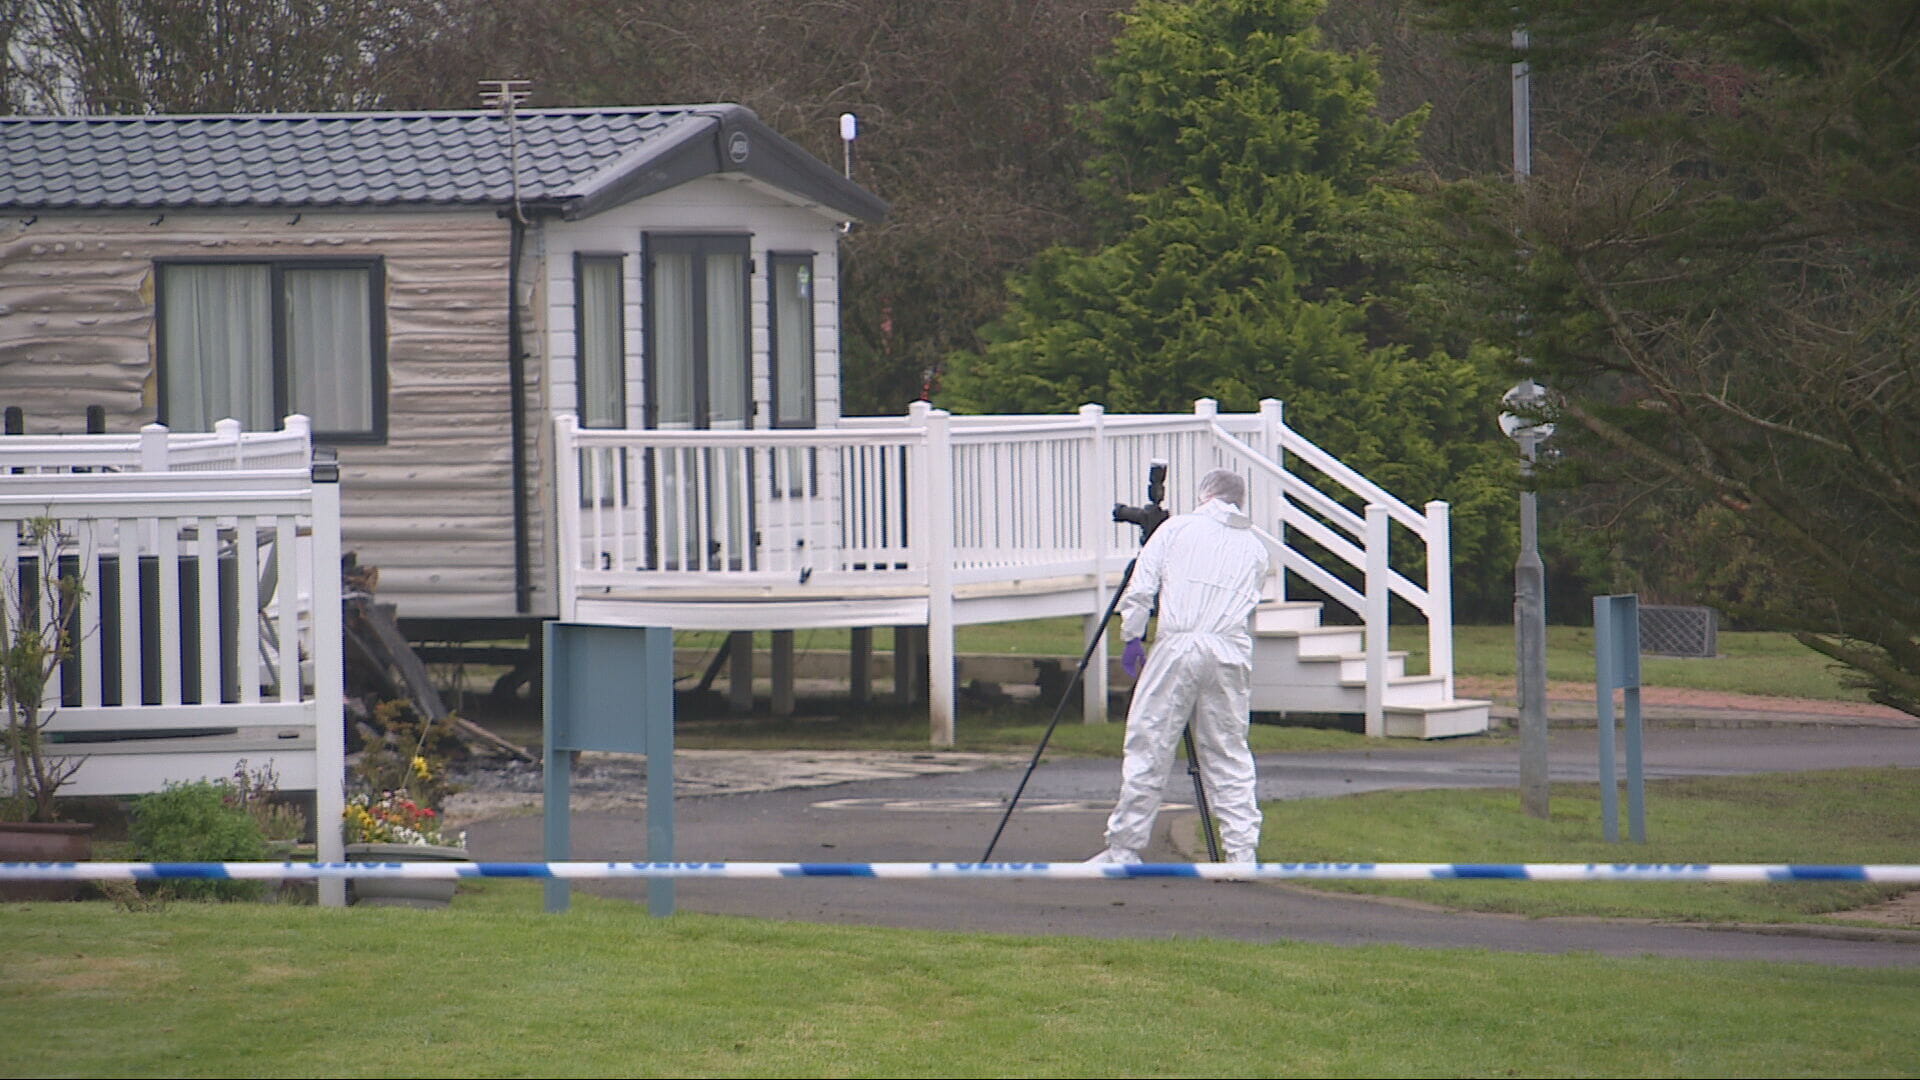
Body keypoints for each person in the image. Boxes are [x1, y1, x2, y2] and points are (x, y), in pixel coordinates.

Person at [1088, 467, 1270, 865]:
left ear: (1205, 495)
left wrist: (1132, 636)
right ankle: (1242, 854)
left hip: (1179, 645)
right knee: (1228, 753)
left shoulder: (1176, 531)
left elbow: (1141, 588)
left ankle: (1124, 849)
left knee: (1149, 743)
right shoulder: (1255, 547)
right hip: (1229, 650)